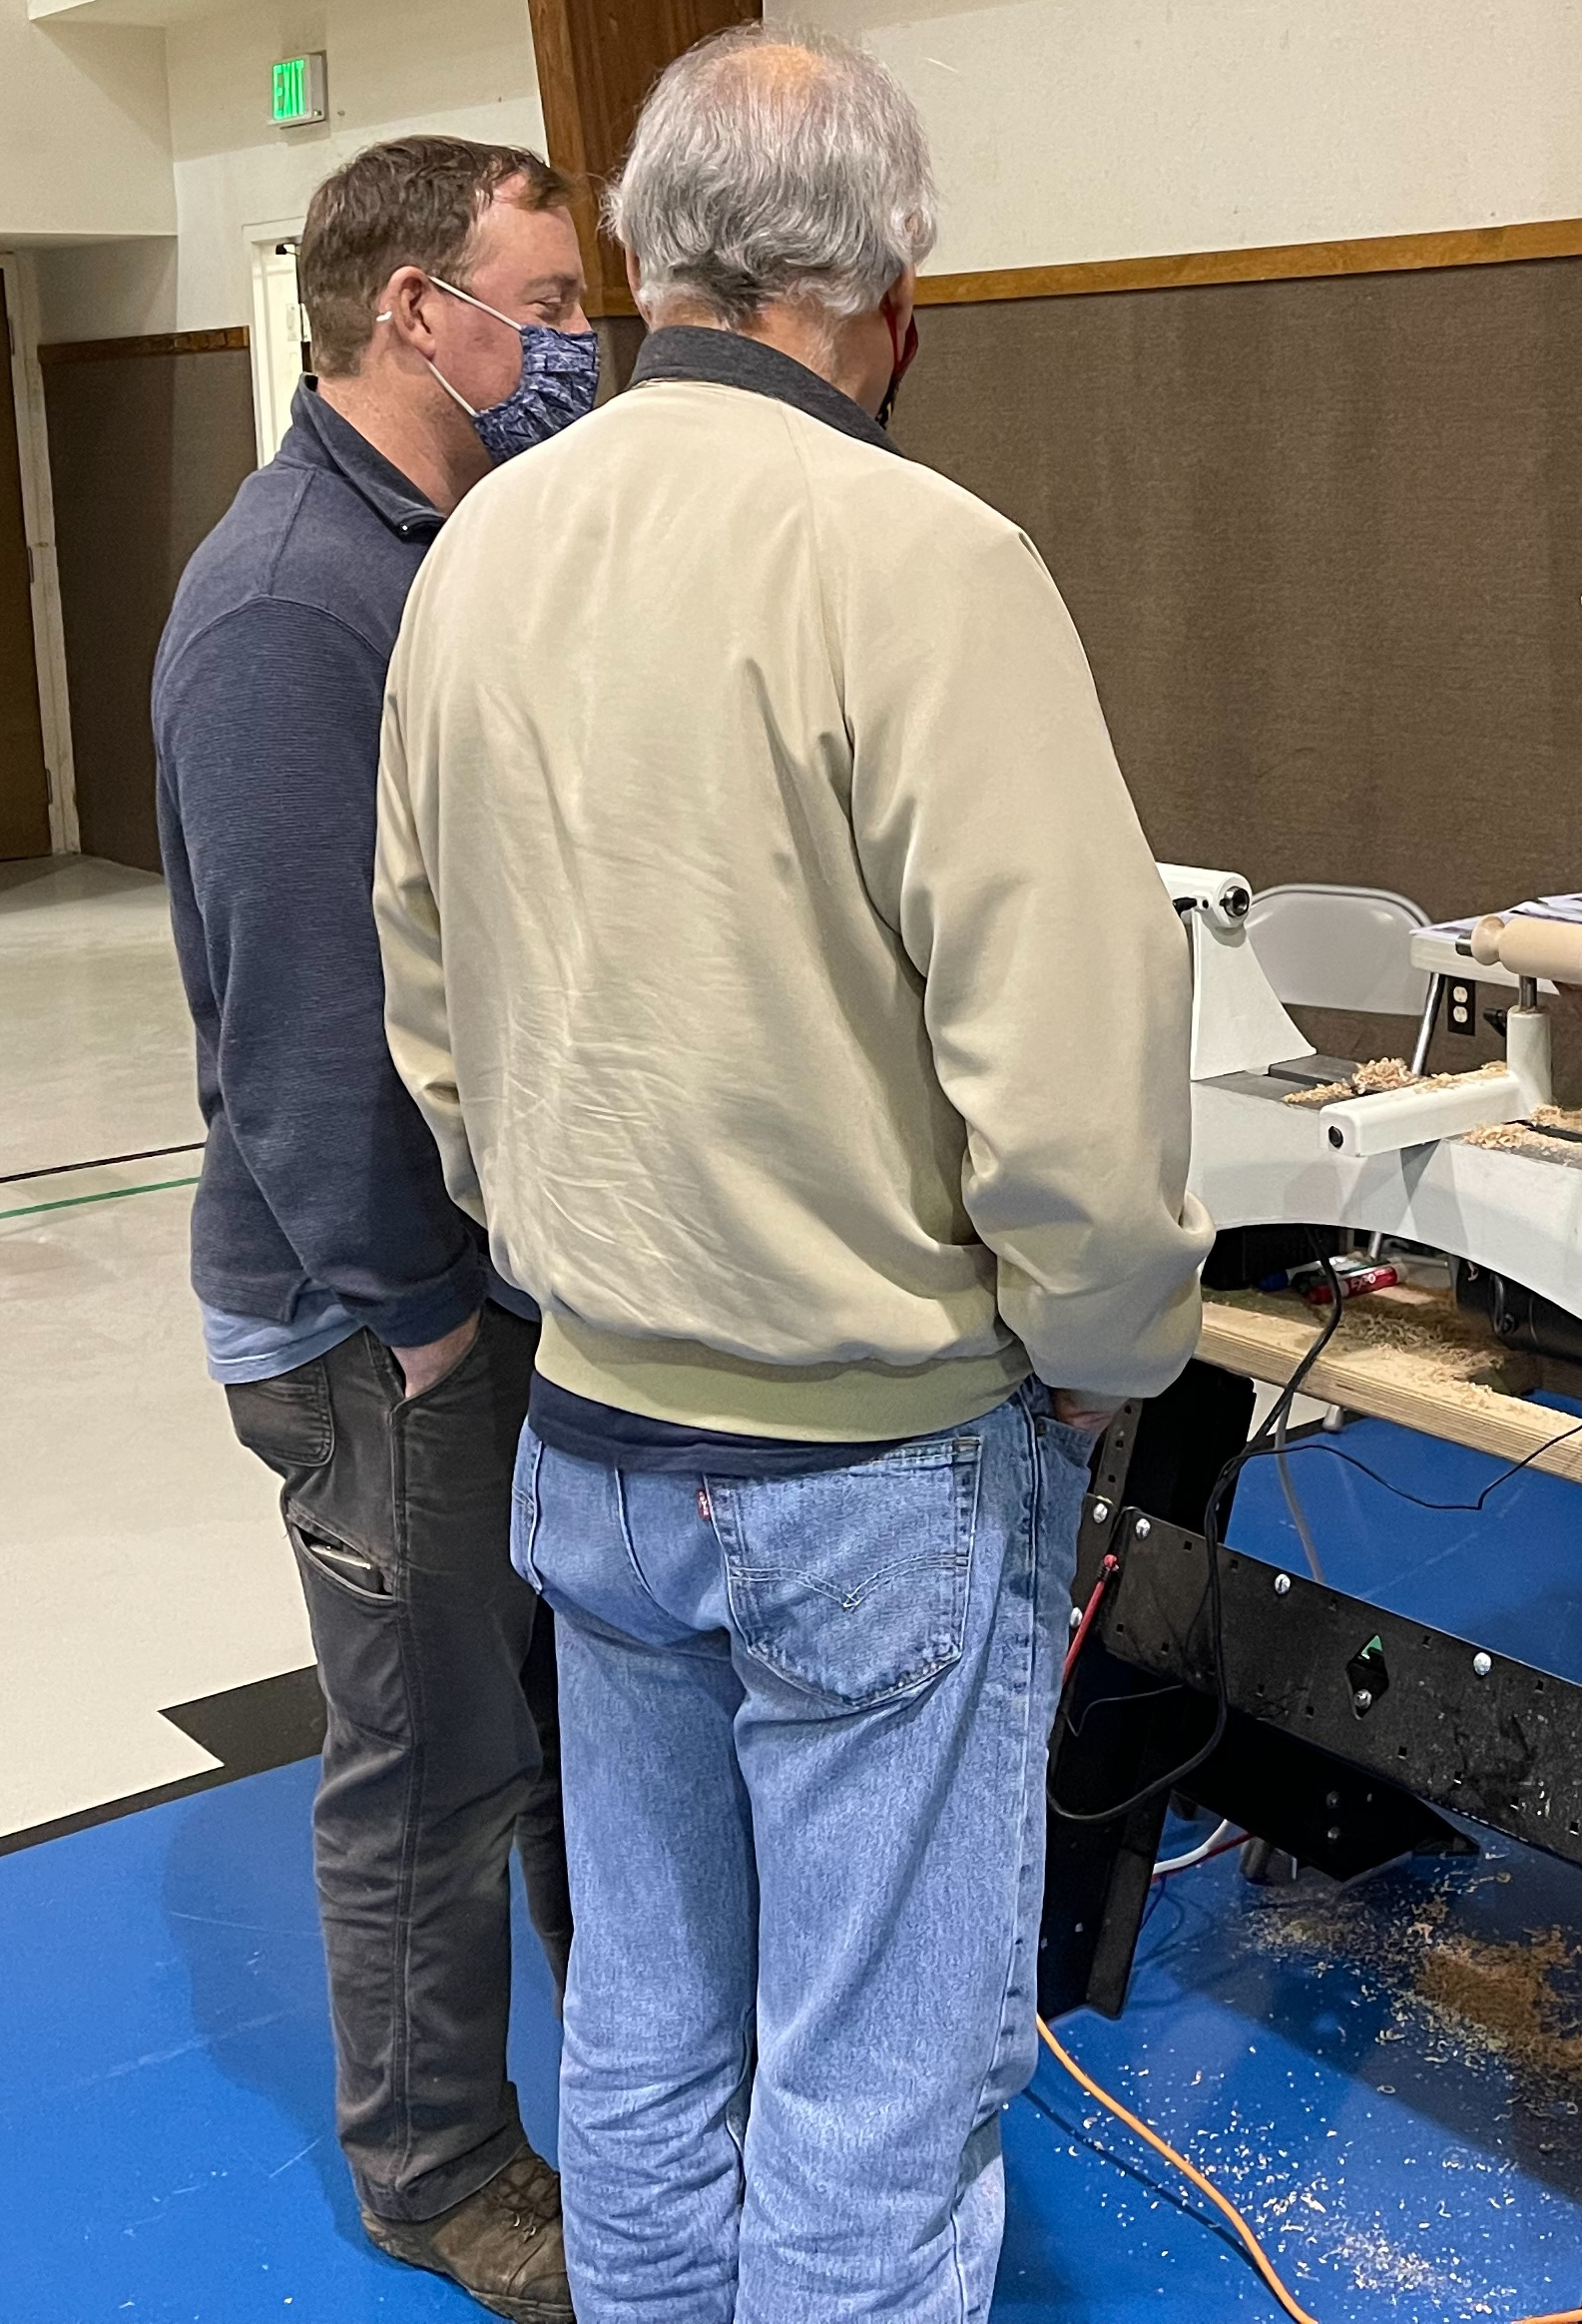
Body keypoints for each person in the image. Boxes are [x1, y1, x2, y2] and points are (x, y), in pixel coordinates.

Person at [371, 28, 1212, 2321]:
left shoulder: (477, 550)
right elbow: (1066, 1063)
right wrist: (1102, 1355)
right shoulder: (924, 557)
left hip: (593, 1427)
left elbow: (425, 996)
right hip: (871, 1456)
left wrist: (570, 1221)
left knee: (644, 2025)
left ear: (642, 261)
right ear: (895, 283)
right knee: (874, 2081)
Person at [153, 134, 593, 2323]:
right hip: (365, 1319)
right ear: (416, 312)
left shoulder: (452, 549)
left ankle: (617, 2099)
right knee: (427, 1765)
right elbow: (302, 1035)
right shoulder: (285, 605)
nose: (571, 340)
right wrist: (420, 1320)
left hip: (471, 1283)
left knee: (531, 1727)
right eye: (540, 297)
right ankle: (437, 2174)